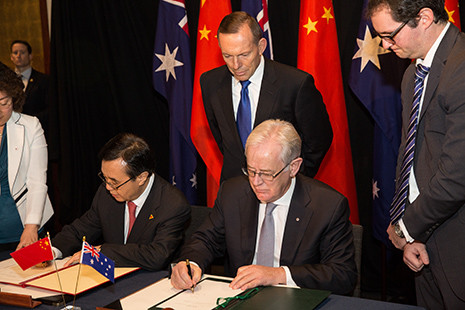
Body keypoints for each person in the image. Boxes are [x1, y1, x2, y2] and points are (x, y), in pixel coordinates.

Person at [171, 119, 356, 294]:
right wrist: (190, 264)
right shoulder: (233, 193)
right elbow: (206, 240)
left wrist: (278, 274)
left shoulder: (327, 206)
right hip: (239, 297)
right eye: (251, 171)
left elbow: (342, 274)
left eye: (267, 174)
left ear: (293, 167)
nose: (256, 182)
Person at [368, 0, 465, 308]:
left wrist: (405, 227)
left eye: (390, 35)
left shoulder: (461, 69)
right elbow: (410, 155)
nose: (384, 45)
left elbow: (456, 176)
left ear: (424, 18)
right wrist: (410, 230)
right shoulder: (414, 73)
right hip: (424, 242)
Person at [201, 11, 333, 182]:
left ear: (261, 46)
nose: (235, 65)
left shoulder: (295, 84)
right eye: (227, 56)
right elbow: (223, 139)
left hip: (281, 188)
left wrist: (291, 179)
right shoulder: (210, 82)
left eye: (244, 55)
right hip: (233, 189)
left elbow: (318, 141)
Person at [52, 133, 190, 271]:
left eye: (114, 182)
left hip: (151, 282)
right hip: (112, 278)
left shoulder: (172, 204)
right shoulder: (107, 193)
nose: (108, 187)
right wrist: (51, 250)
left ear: (142, 177)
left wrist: (101, 252)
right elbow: (80, 230)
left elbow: (157, 255)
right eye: (105, 178)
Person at [0, 61, 54, 251]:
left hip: (27, 226)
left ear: (13, 98)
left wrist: (32, 226)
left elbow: (37, 181)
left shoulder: (31, 126)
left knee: (36, 278)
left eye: (4, 103)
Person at [10, 40, 50, 134]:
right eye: (15, 53)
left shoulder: (43, 80)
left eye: (22, 52)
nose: (18, 56)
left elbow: (49, 109)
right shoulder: (6, 82)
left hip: (37, 130)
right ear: (11, 57)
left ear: (30, 56)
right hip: (12, 131)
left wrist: (30, 121)